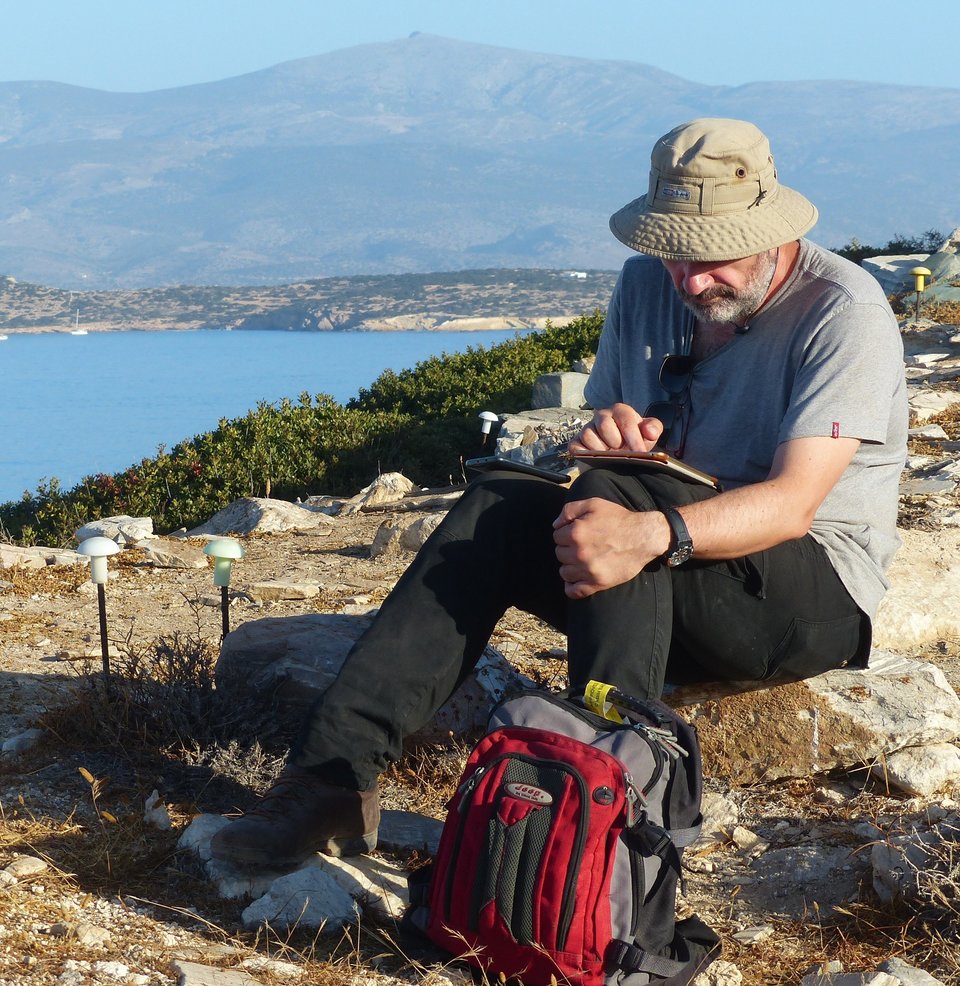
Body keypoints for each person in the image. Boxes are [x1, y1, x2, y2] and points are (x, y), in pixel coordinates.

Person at [211, 117, 907, 870]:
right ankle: (330, 779)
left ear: (772, 232)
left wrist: (647, 526)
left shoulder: (843, 310)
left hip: (807, 594)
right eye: (674, 253)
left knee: (618, 502)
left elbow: (794, 502)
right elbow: (624, 459)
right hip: (670, 569)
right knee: (502, 505)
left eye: (714, 258)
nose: (691, 280)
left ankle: (600, 810)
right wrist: (614, 446)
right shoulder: (648, 284)